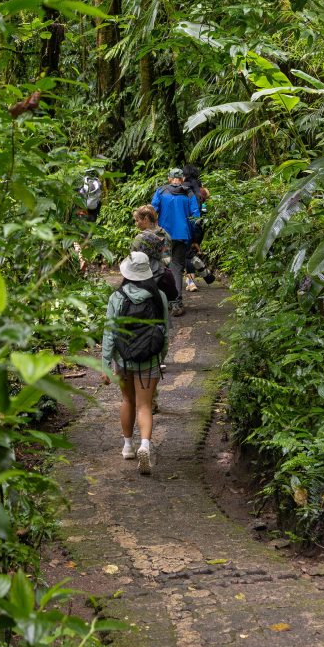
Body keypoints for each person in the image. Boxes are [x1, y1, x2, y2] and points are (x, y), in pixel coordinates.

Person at [100, 251, 168, 475]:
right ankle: (145, 446)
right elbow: (165, 333)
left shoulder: (116, 298)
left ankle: (128, 447)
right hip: (149, 359)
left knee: (127, 400)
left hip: (123, 359)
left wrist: (105, 364)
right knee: (145, 405)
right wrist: (161, 357)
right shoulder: (159, 296)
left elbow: (109, 334)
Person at [151, 168, 200, 313]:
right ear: (182, 179)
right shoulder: (189, 193)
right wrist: (193, 236)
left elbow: (152, 212)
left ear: (169, 178)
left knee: (162, 267)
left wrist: (154, 231)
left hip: (163, 236)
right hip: (182, 236)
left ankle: (162, 302)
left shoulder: (160, 191)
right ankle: (177, 303)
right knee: (177, 267)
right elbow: (196, 218)